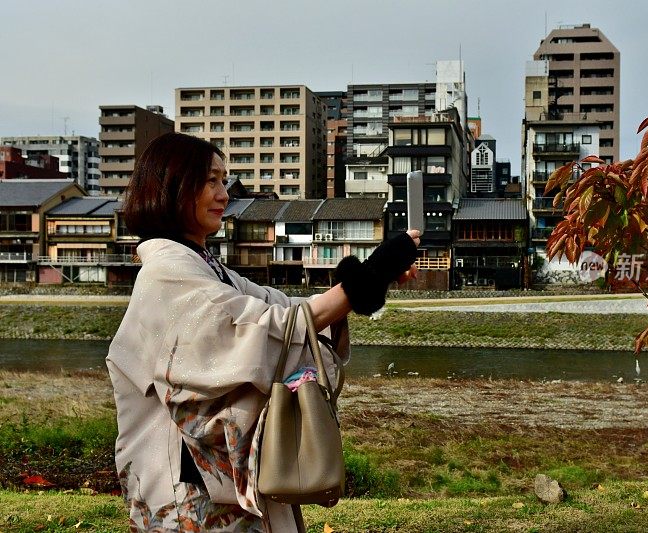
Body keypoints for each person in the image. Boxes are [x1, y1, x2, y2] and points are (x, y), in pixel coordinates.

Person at [106, 132, 420, 531]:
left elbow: (282, 309)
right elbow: (262, 329)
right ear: (171, 186)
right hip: (186, 484)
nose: (223, 194)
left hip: (208, 482)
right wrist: (369, 278)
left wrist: (375, 277)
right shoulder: (167, 273)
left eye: (224, 180)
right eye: (210, 181)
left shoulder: (202, 265)